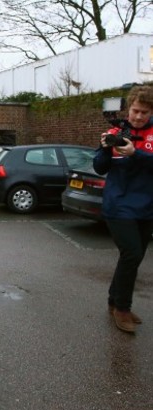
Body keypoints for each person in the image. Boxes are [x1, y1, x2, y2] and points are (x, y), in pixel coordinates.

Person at [94, 84, 153, 334]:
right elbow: (99, 167)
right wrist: (107, 150)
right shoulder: (115, 132)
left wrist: (134, 154)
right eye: (135, 111)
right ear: (129, 109)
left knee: (134, 256)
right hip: (118, 206)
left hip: (147, 207)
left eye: (144, 112)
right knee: (131, 254)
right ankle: (122, 308)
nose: (138, 116)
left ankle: (113, 300)